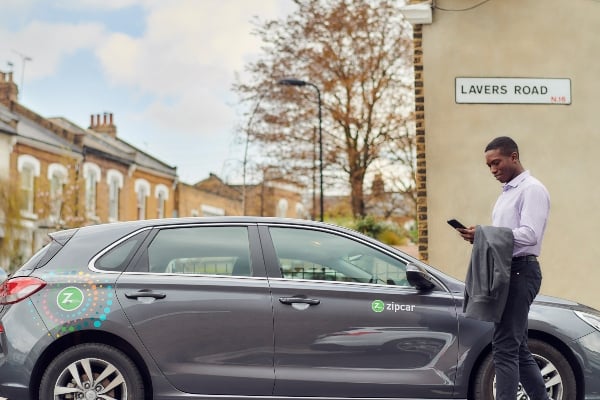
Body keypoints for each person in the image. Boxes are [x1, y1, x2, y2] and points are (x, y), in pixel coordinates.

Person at [457, 136, 550, 400]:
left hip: (521, 272)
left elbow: (530, 235)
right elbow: (505, 235)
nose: (493, 170)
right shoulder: (507, 193)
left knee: (505, 347)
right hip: (507, 271)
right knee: (517, 348)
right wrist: (482, 236)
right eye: (488, 166)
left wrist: (485, 234)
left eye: (496, 163)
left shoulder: (532, 189)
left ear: (514, 157)